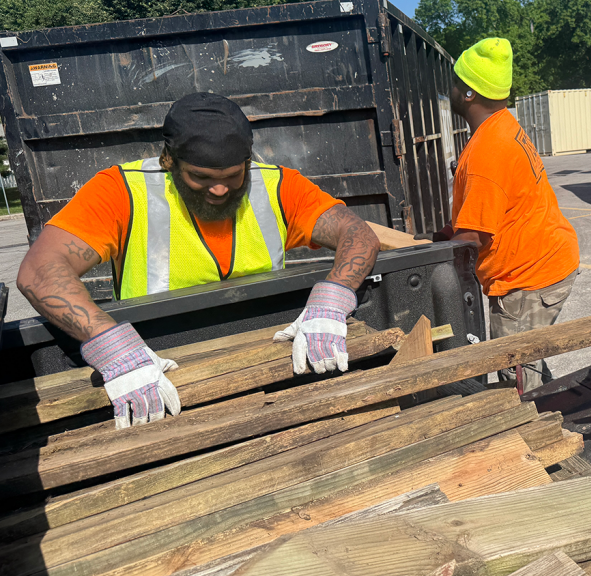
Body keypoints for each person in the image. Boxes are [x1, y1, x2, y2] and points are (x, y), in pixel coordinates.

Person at [17, 92, 380, 429]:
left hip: (270, 362)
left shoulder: (279, 187)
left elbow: (357, 234)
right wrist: (112, 347)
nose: (219, 190)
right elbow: (39, 271)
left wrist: (333, 298)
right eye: (200, 178)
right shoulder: (120, 192)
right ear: (168, 160)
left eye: (232, 177)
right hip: (158, 369)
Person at [428, 37, 580, 393]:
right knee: (528, 361)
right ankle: (548, 404)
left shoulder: (488, 150)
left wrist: (431, 253)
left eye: (455, 83)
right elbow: (492, 207)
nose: (450, 89)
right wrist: (447, 232)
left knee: (517, 373)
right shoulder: (500, 127)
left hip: (529, 278)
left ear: (468, 93)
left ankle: (538, 433)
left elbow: (476, 237)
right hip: (545, 260)